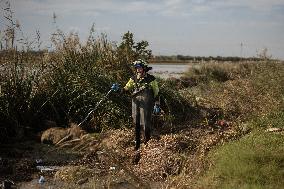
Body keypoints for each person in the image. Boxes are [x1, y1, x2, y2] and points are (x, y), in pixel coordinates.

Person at [123, 59, 159, 150]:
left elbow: (156, 92)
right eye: (136, 68)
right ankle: (137, 144)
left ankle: (147, 141)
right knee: (136, 124)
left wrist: (157, 104)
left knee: (146, 124)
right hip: (135, 103)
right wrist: (121, 89)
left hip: (147, 104)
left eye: (139, 67)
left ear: (144, 68)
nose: (137, 69)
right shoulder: (133, 78)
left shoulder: (151, 79)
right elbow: (127, 87)